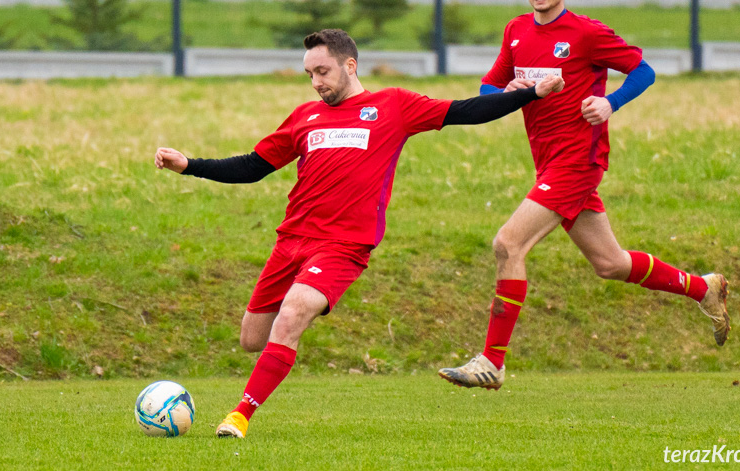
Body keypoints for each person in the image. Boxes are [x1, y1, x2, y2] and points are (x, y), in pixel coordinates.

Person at [154, 29, 564, 438]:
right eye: (310, 74)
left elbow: (466, 110)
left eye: (323, 71)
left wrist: (530, 94)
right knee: (251, 338)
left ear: (350, 65)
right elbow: (251, 167)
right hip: (291, 241)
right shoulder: (304, 117)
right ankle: (281, 348)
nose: (316, 82)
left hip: (344, 246)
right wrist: (190, 164)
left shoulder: (394, 106)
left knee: (294, 312)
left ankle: (239, 415)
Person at [437, 0, 730, 391]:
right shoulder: (516, 31)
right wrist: (512, 93)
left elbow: (644, 71)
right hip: (549, 163)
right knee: (610, 264)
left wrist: (610, 103)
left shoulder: (587, 33)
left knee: (507, 245)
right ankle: (703, 287)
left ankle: (492, 362)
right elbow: (489, 90)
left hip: (578, 162)